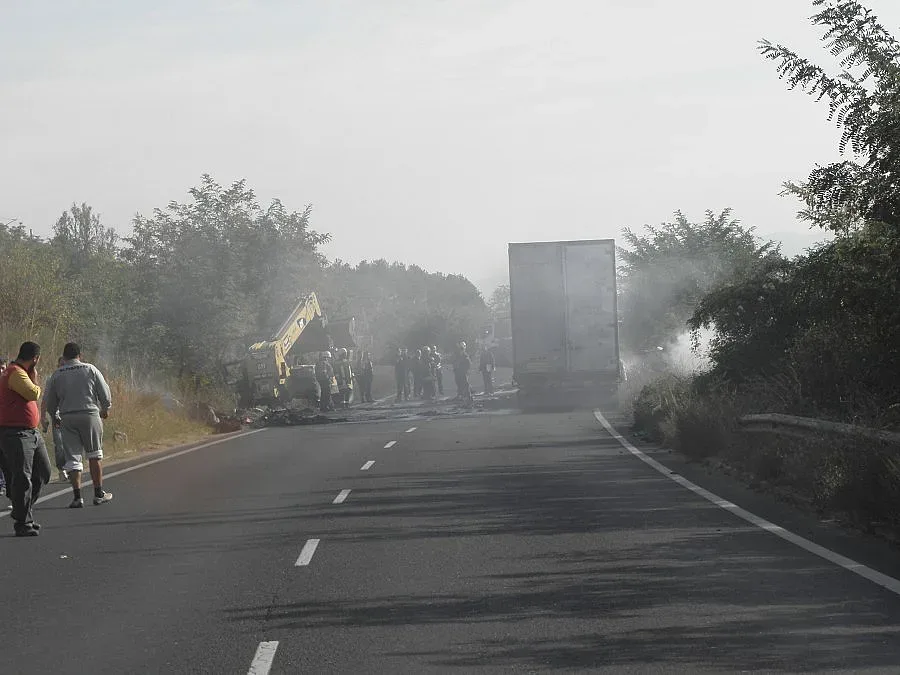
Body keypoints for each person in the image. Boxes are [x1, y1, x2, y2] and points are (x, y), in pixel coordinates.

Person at [44, 342, 113, 509]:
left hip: (67, 417)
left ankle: (77, 497)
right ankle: (98, 494)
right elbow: (104, 392)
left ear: (64, 357)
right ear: (79, 355)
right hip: (89, 415)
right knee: (94, 454)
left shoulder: (57, 374)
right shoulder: (90, 369)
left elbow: (50, 400)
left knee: (73, 458)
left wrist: (54, 416)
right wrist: (105, 408)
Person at [0, 342, 52, 536]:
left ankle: (22, 511)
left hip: (31, 432)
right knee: (22, 477)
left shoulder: (17, 372)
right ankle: (23, 523)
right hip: (17, 433)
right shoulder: (16, 373)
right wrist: (35, 379)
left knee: (43, 472)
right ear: (35, 359)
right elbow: (33, 393)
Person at [41, 356, 68, 483]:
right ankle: (62, 469)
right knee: (60, 443)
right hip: (57, 415)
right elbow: (45, 398)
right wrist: (43, 416)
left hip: (72, 415)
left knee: (73, 443)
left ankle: (73, 468)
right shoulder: (52, 379)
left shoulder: (74, 377)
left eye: (65, 365)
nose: (63, 367)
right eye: (61, 365)